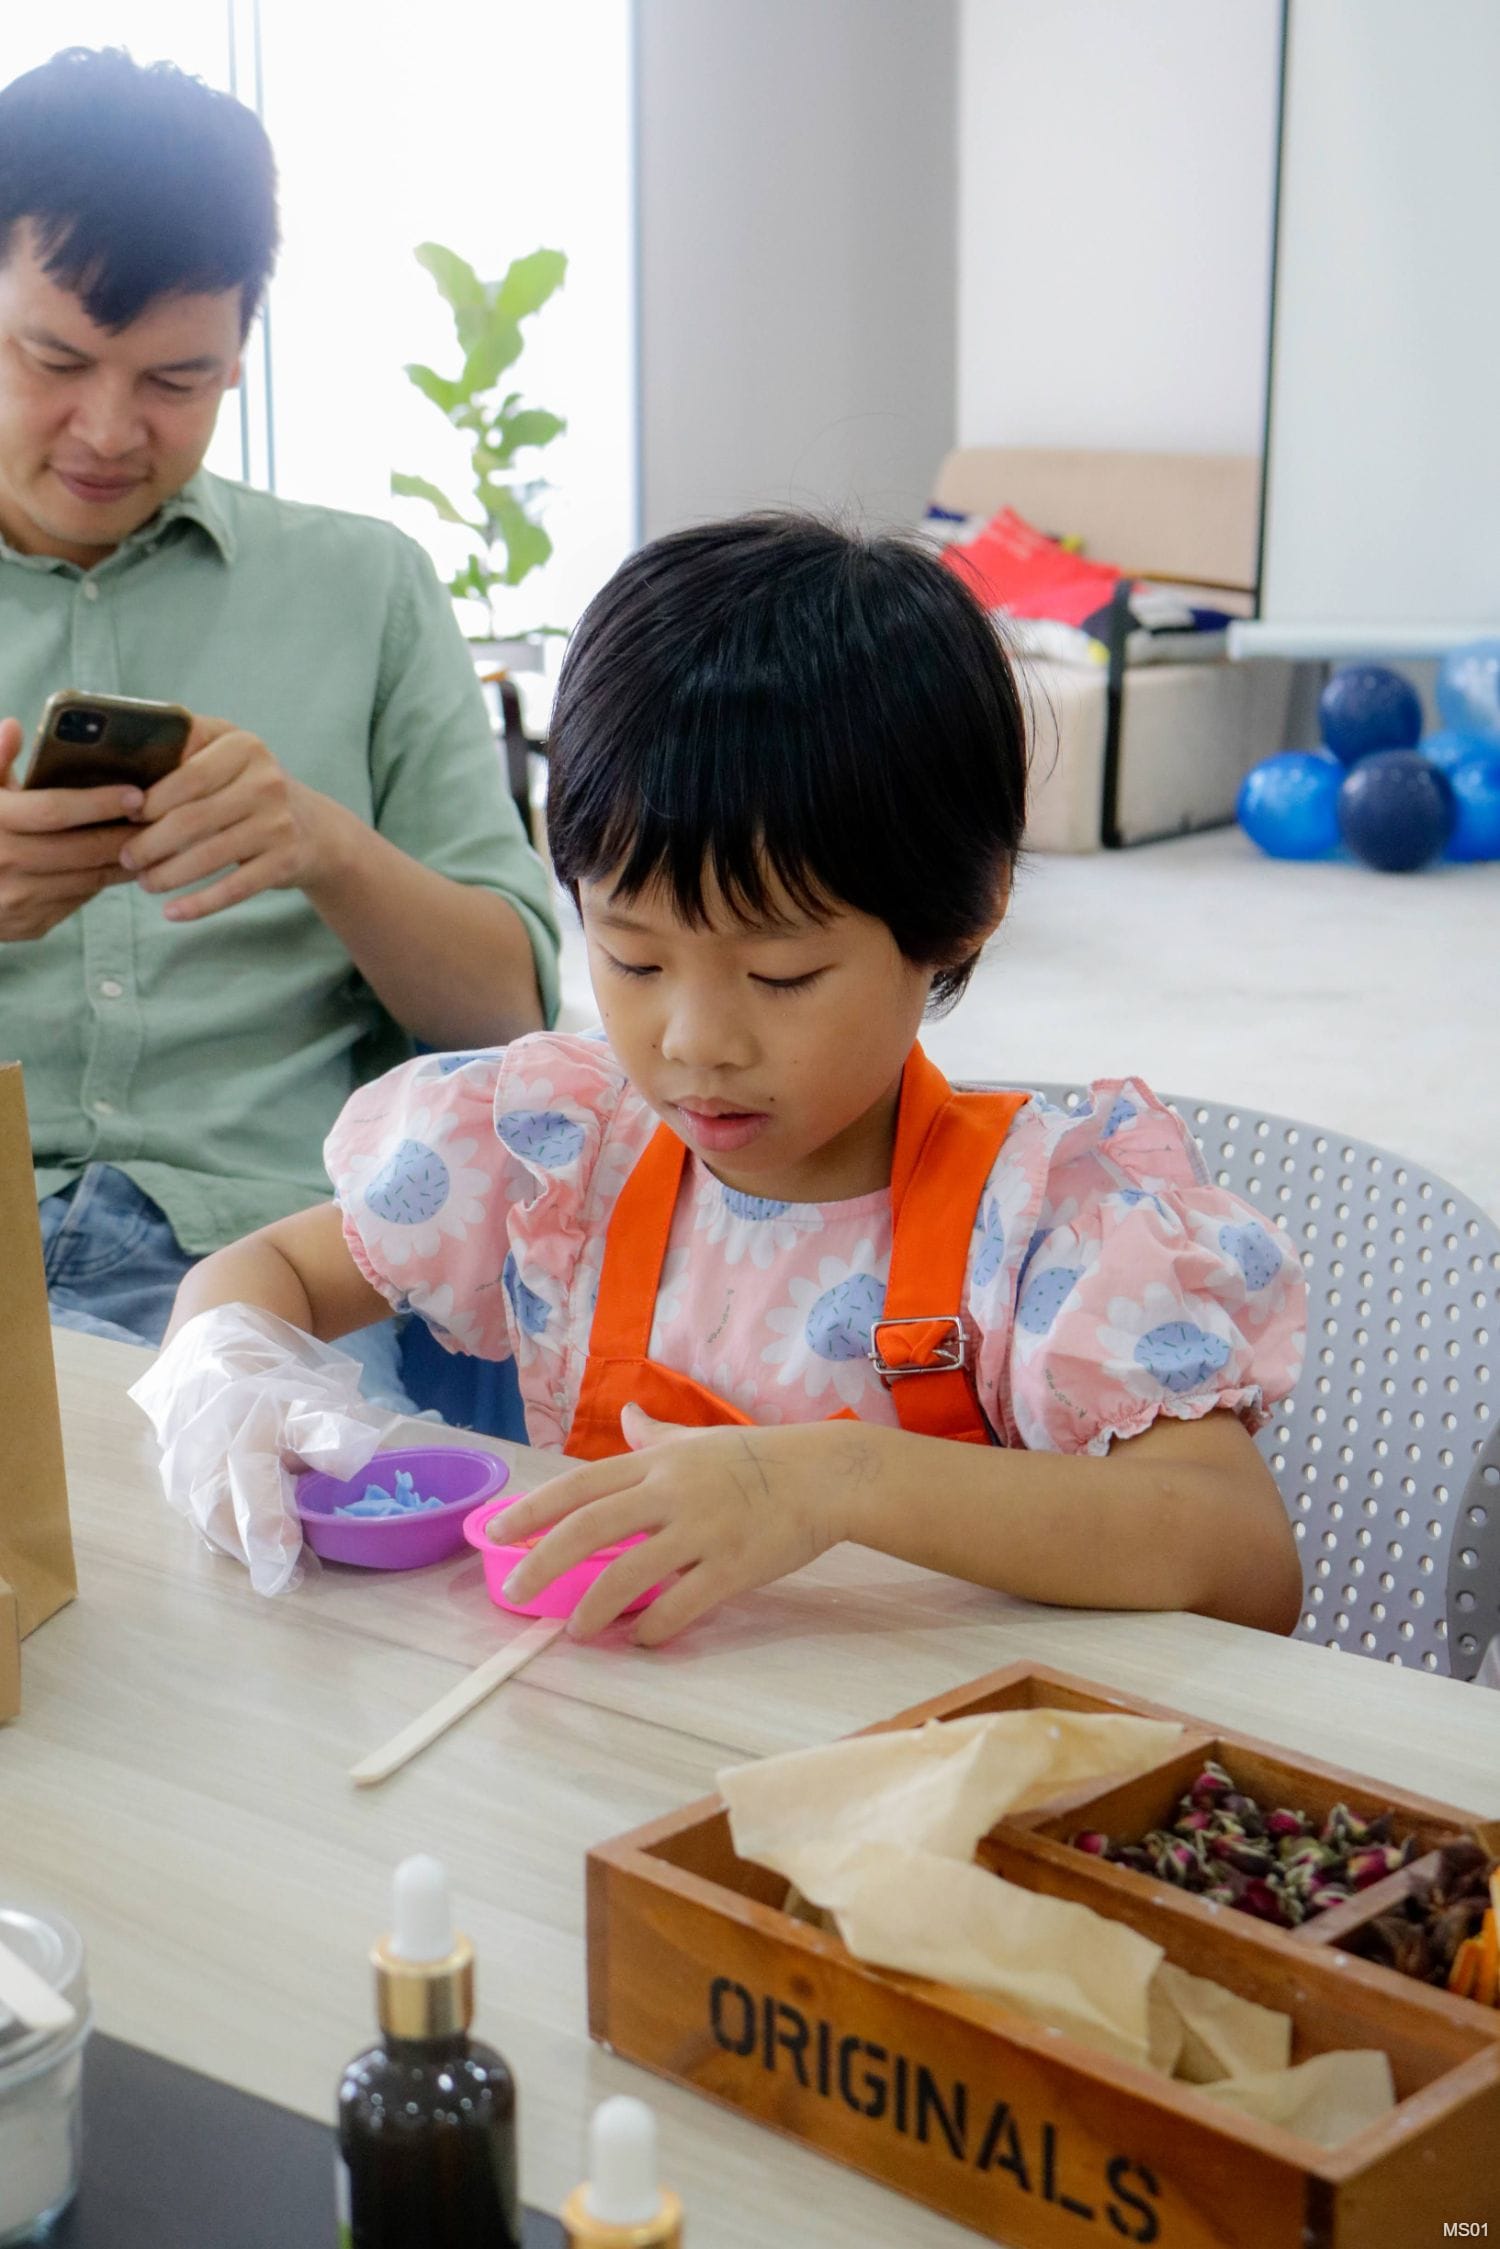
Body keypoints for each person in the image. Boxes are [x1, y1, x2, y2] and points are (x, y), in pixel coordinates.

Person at [166, 515, 1306, 1640]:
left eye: (782, 971)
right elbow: (267, 1269)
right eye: (634, 957)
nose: (694, 1040)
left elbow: (1239, 1555)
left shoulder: (1044, 1231)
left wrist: (832, 1480)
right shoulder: (565, 1156)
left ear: (968, 910)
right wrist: (230, 1368)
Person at [0, 49, 560, 1396]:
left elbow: (512, 1018)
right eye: (53, 358)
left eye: (179, 379)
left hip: (273, 1260)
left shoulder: (365, 583)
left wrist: (325, 845)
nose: (108, 430)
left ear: (244, 344)